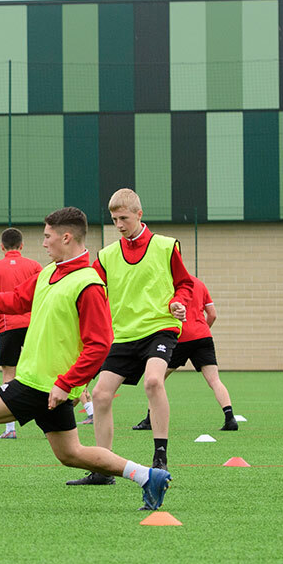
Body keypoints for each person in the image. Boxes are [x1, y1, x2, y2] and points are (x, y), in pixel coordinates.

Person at [0, 207, 171, 512]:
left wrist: (66, 384)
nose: (43, 243)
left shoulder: (89, 283)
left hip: (41, 386)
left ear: (66, 237)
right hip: (44, 385)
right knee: (72, 454)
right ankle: (148, 476)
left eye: (47, 236)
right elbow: (14, 301)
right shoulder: (49, 273)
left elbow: (100, 344)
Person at [67, 188, 194, 485]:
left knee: (153, 381)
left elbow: (185, 284)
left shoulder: (165, 246)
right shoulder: (108, 255)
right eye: (114, 219)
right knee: (100, 394)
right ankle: (102, 468)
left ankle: (160, 456)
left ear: (139, 214)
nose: (119, 225)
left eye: (124, 218)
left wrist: (179, 302)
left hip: (159, 328)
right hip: (123, 335)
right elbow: (89, 284)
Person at [131, 275, 239, 433]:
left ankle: (149, 420)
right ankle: (230, 418)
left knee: (156, 379)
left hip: (179, 338)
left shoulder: (171, 284)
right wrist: (202, 329)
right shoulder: (200, 284)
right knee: (214, 380)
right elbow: (213, 314)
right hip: (203, 336)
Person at [0, 228, 43, 439]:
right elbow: (46, 294)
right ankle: (50, 425)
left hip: (8, 326)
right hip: (34, 325)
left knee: (9, 375)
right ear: (22, 245)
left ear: (2, 247)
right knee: (44, 371)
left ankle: (10, 430)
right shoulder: (35, 266)